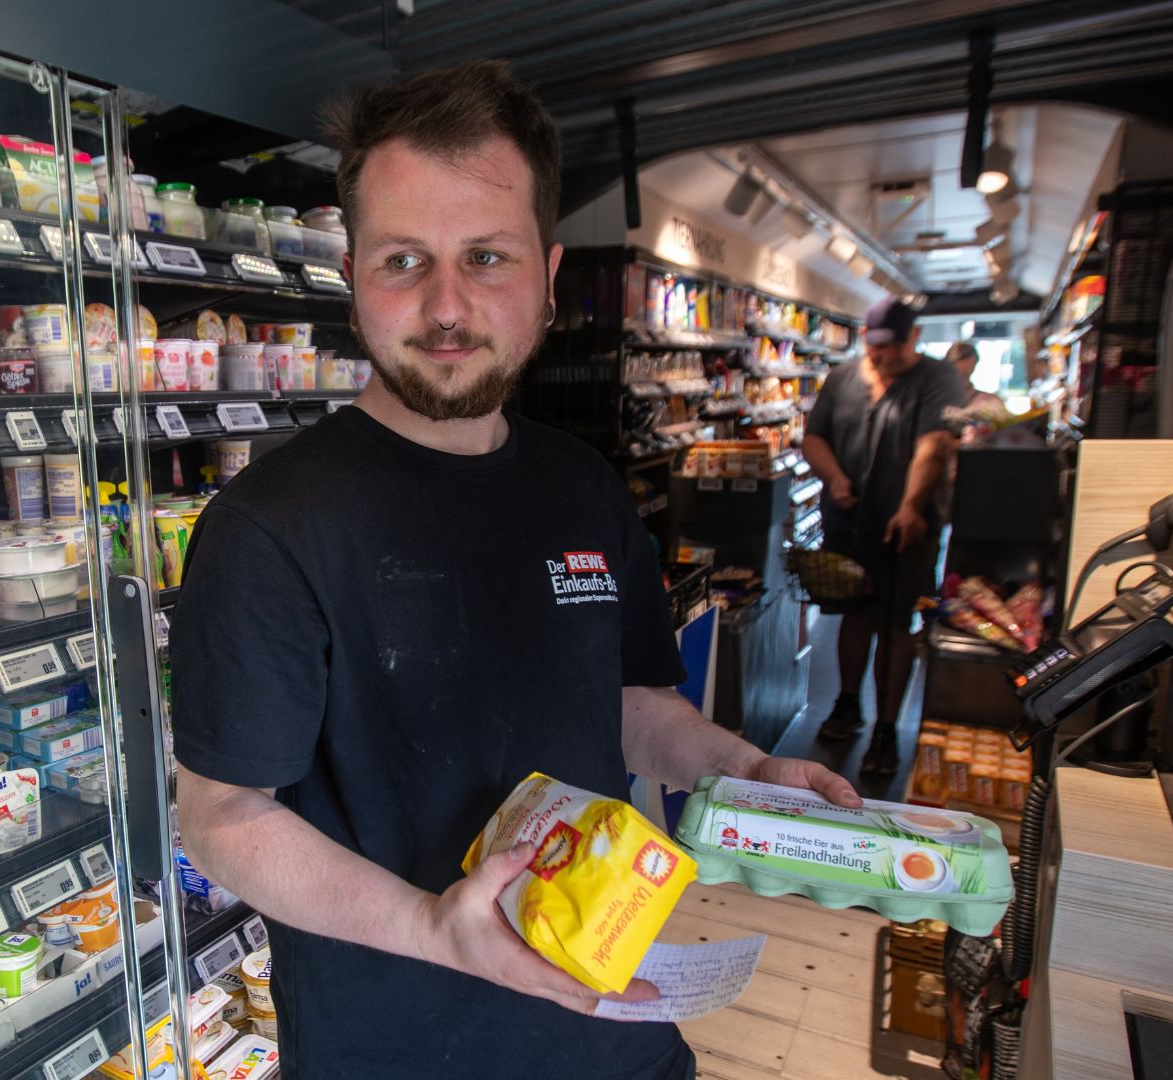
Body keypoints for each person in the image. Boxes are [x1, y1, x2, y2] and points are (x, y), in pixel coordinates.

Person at [169, 59, 862, 1079]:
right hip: (403, 1050)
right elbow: (223, 820)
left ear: (545, 274)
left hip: (618, 1029)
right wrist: (435, 927)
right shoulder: (269, 525)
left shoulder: (583, 488)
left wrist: (743, 771)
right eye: (404, 260)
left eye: (485, 257)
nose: (446, 307)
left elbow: (628, 702)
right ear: (353, 269)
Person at [802, 300, 970, 775]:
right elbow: (813, 438)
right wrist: (834, 477)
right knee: (853, 615)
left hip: (907, 528)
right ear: (864, 337)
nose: (885, 355)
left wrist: (911, 506)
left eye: (895, 345)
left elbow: (935, 444)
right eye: (877, 346)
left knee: (896, 624)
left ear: (913, 337)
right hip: (848, 520)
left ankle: (887, 727)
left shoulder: (939, 379)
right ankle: (849, 703)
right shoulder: (842, 379)